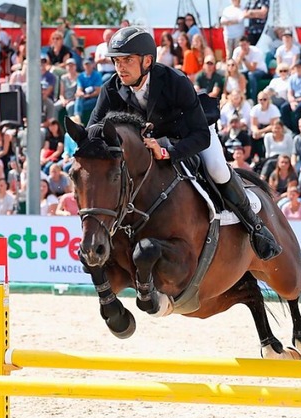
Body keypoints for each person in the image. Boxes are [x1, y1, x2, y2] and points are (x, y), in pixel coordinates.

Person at [87, 26, 281, 260]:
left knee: (218, 170)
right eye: (117, 60)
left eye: (127, 60)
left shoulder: (175, 81)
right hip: (148, 144)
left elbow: (200, 136)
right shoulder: (111, 88)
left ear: (147, 60)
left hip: (190, 134)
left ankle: (256, 228)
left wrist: (168, 152)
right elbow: (93, 130)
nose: (120, 67)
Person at [232, 36, 269, 104]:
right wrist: (239, 58)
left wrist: (243, 59)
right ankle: (240, 97)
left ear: (249, 44)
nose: (243, 47)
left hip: (260, 70)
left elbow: (252, 68)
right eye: (241, 45)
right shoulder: (237, 51)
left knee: (251, 75)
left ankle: (253, 100)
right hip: (247, 70)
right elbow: (233, 67)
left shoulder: (256, 51)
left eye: (245, 45)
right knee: (239, 75)